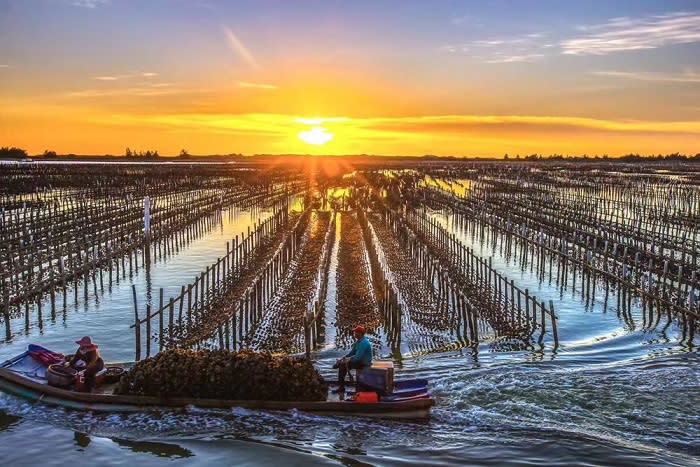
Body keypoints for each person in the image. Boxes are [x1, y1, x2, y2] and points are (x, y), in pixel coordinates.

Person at [334, 325, 372, 393]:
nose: (354, 334)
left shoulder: (364, 343)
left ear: (360, 333)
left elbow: (358, 357)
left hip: (364, 363)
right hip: (359, 361)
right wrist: (342, 359)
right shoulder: (357, 342)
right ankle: (341, 386)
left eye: (356, 332)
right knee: (341, 365)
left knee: (342, 366)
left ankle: (342, 387)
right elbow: (351, 353)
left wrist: (347, 360)